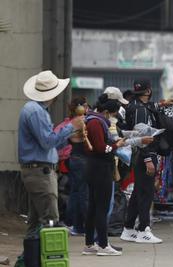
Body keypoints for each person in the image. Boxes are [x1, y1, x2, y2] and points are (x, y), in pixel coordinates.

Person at [19, 71, 85, 234]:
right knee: (49, 220)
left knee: (36, 222)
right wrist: (72, 127)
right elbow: (48, 141)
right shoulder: (37, 112)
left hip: (37, 170)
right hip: (40, 172)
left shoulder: (34, 110)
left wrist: (69, 138)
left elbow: (47, 142)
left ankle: (30, 259)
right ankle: (47, 257)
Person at [82, 94, 126, 256]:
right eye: (113, 115)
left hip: (94, 168)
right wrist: (116, 145)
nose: (113, 119)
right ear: (106, 111)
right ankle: (102, 244)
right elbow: (101, 148)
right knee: (101, 207)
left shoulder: (92, 119)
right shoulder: (96, 123)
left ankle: (90, 243)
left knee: (94, 207)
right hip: (100, 168)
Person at [120, 80, 163, 244]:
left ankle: (129, 228)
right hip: (145, 154)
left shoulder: (136, 106)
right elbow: (141, 137)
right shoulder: (140, 110)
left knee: (139, 191)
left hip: (141, 154)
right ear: (149, 91)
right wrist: (148, 159)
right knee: (146, 193)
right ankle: (143, 229)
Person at [60, 97, 90, 236]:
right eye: (85, 105)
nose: (88, 108)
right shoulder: (80, 122)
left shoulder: (70, 122)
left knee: (76, 192)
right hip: (81, 159)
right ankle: (82, 223)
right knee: (82, 193)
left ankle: (76, 224)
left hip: (74, 158)